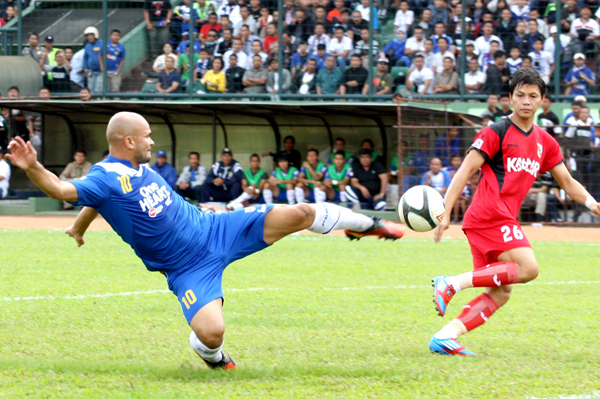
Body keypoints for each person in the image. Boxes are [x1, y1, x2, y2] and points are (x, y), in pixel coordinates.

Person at [6, 111, 407, 370]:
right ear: (128, 141)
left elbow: (99, 202)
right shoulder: (104, 176)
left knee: (300, 213)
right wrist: (33, 165)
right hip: (186, 268)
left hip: (214, 227)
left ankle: (366, 224)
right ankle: (211, 356)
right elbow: (62, 189)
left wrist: (79, 227)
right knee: (212, 333)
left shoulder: (119, 176)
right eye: (146, 136)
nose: (151, 141)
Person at [428, 68, 600, 356]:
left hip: (492, 219)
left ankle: (445, 336)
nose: (526, 101)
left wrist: (593, 203)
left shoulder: (545, 141)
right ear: (510, 98)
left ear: (543, 100)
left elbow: (568, 183)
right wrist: (445, 212)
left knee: (502, 291)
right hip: (489, 214)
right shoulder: (495, 131)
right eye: (520, 95)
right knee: (528, 268)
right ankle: (451, 283)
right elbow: (464, 171)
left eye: (533, 96)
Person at [83, 26, 104, 94]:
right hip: (91, 71)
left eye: (91, 35)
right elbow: (85, 57)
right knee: (90, 89)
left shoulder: (102, 43)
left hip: (101, 72)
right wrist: (86, 68)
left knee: (98, 89)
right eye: (87, 36)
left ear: (95, 35)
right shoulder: (87, 46)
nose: (89, 37)